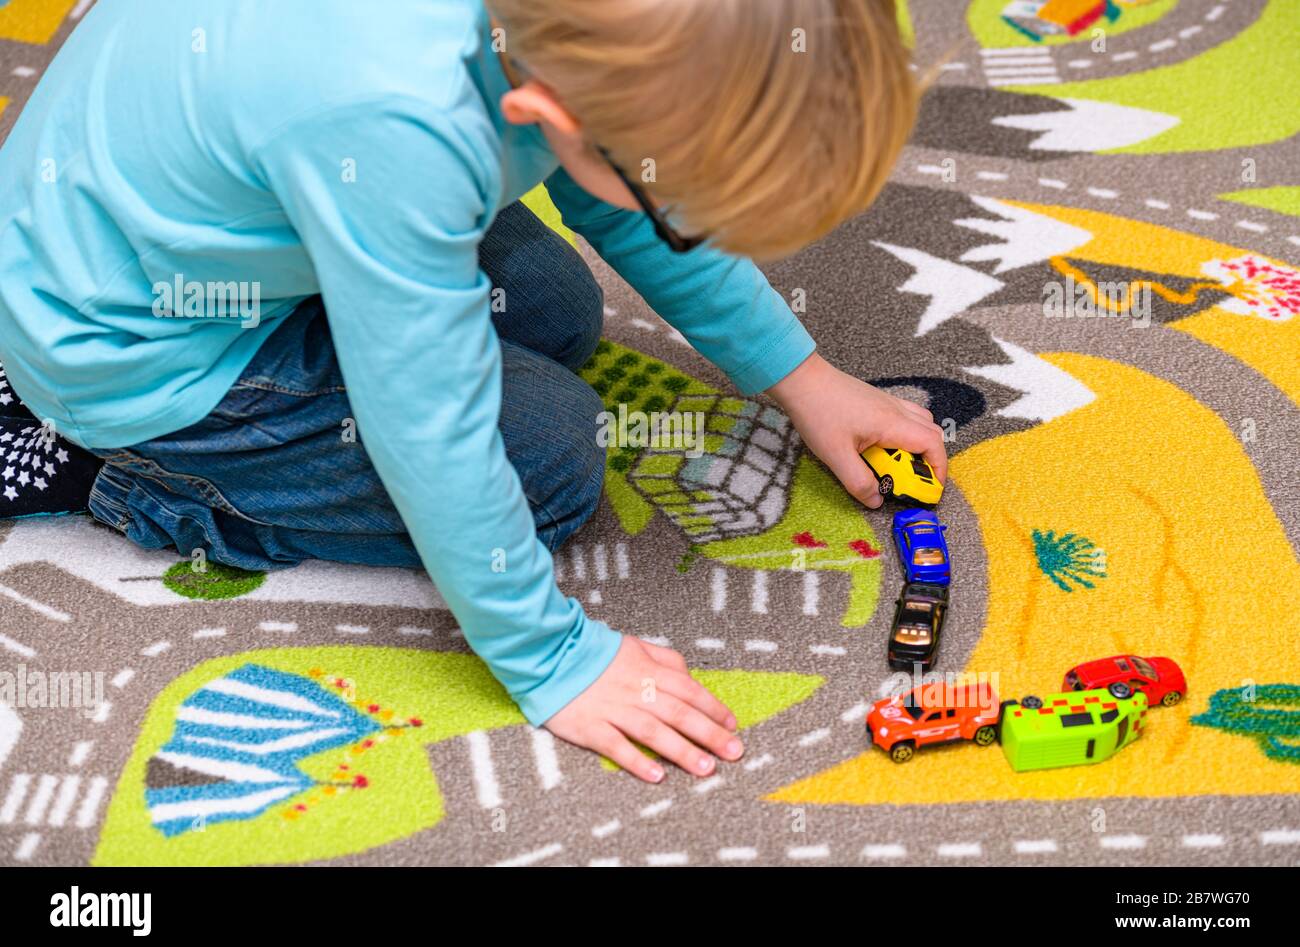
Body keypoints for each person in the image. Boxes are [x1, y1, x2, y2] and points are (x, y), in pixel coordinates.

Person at [0, 0, 945, 782]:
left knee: (552, 306)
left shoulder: (559, 40)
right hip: (127, 342)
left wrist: (803, 378)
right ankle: (111, 471)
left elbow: (635, 213)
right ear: (558, 115)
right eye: (681, 193)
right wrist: (552, 659)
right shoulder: (397, 120)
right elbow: (429, 425)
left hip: (224, 214)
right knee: (548, 458)